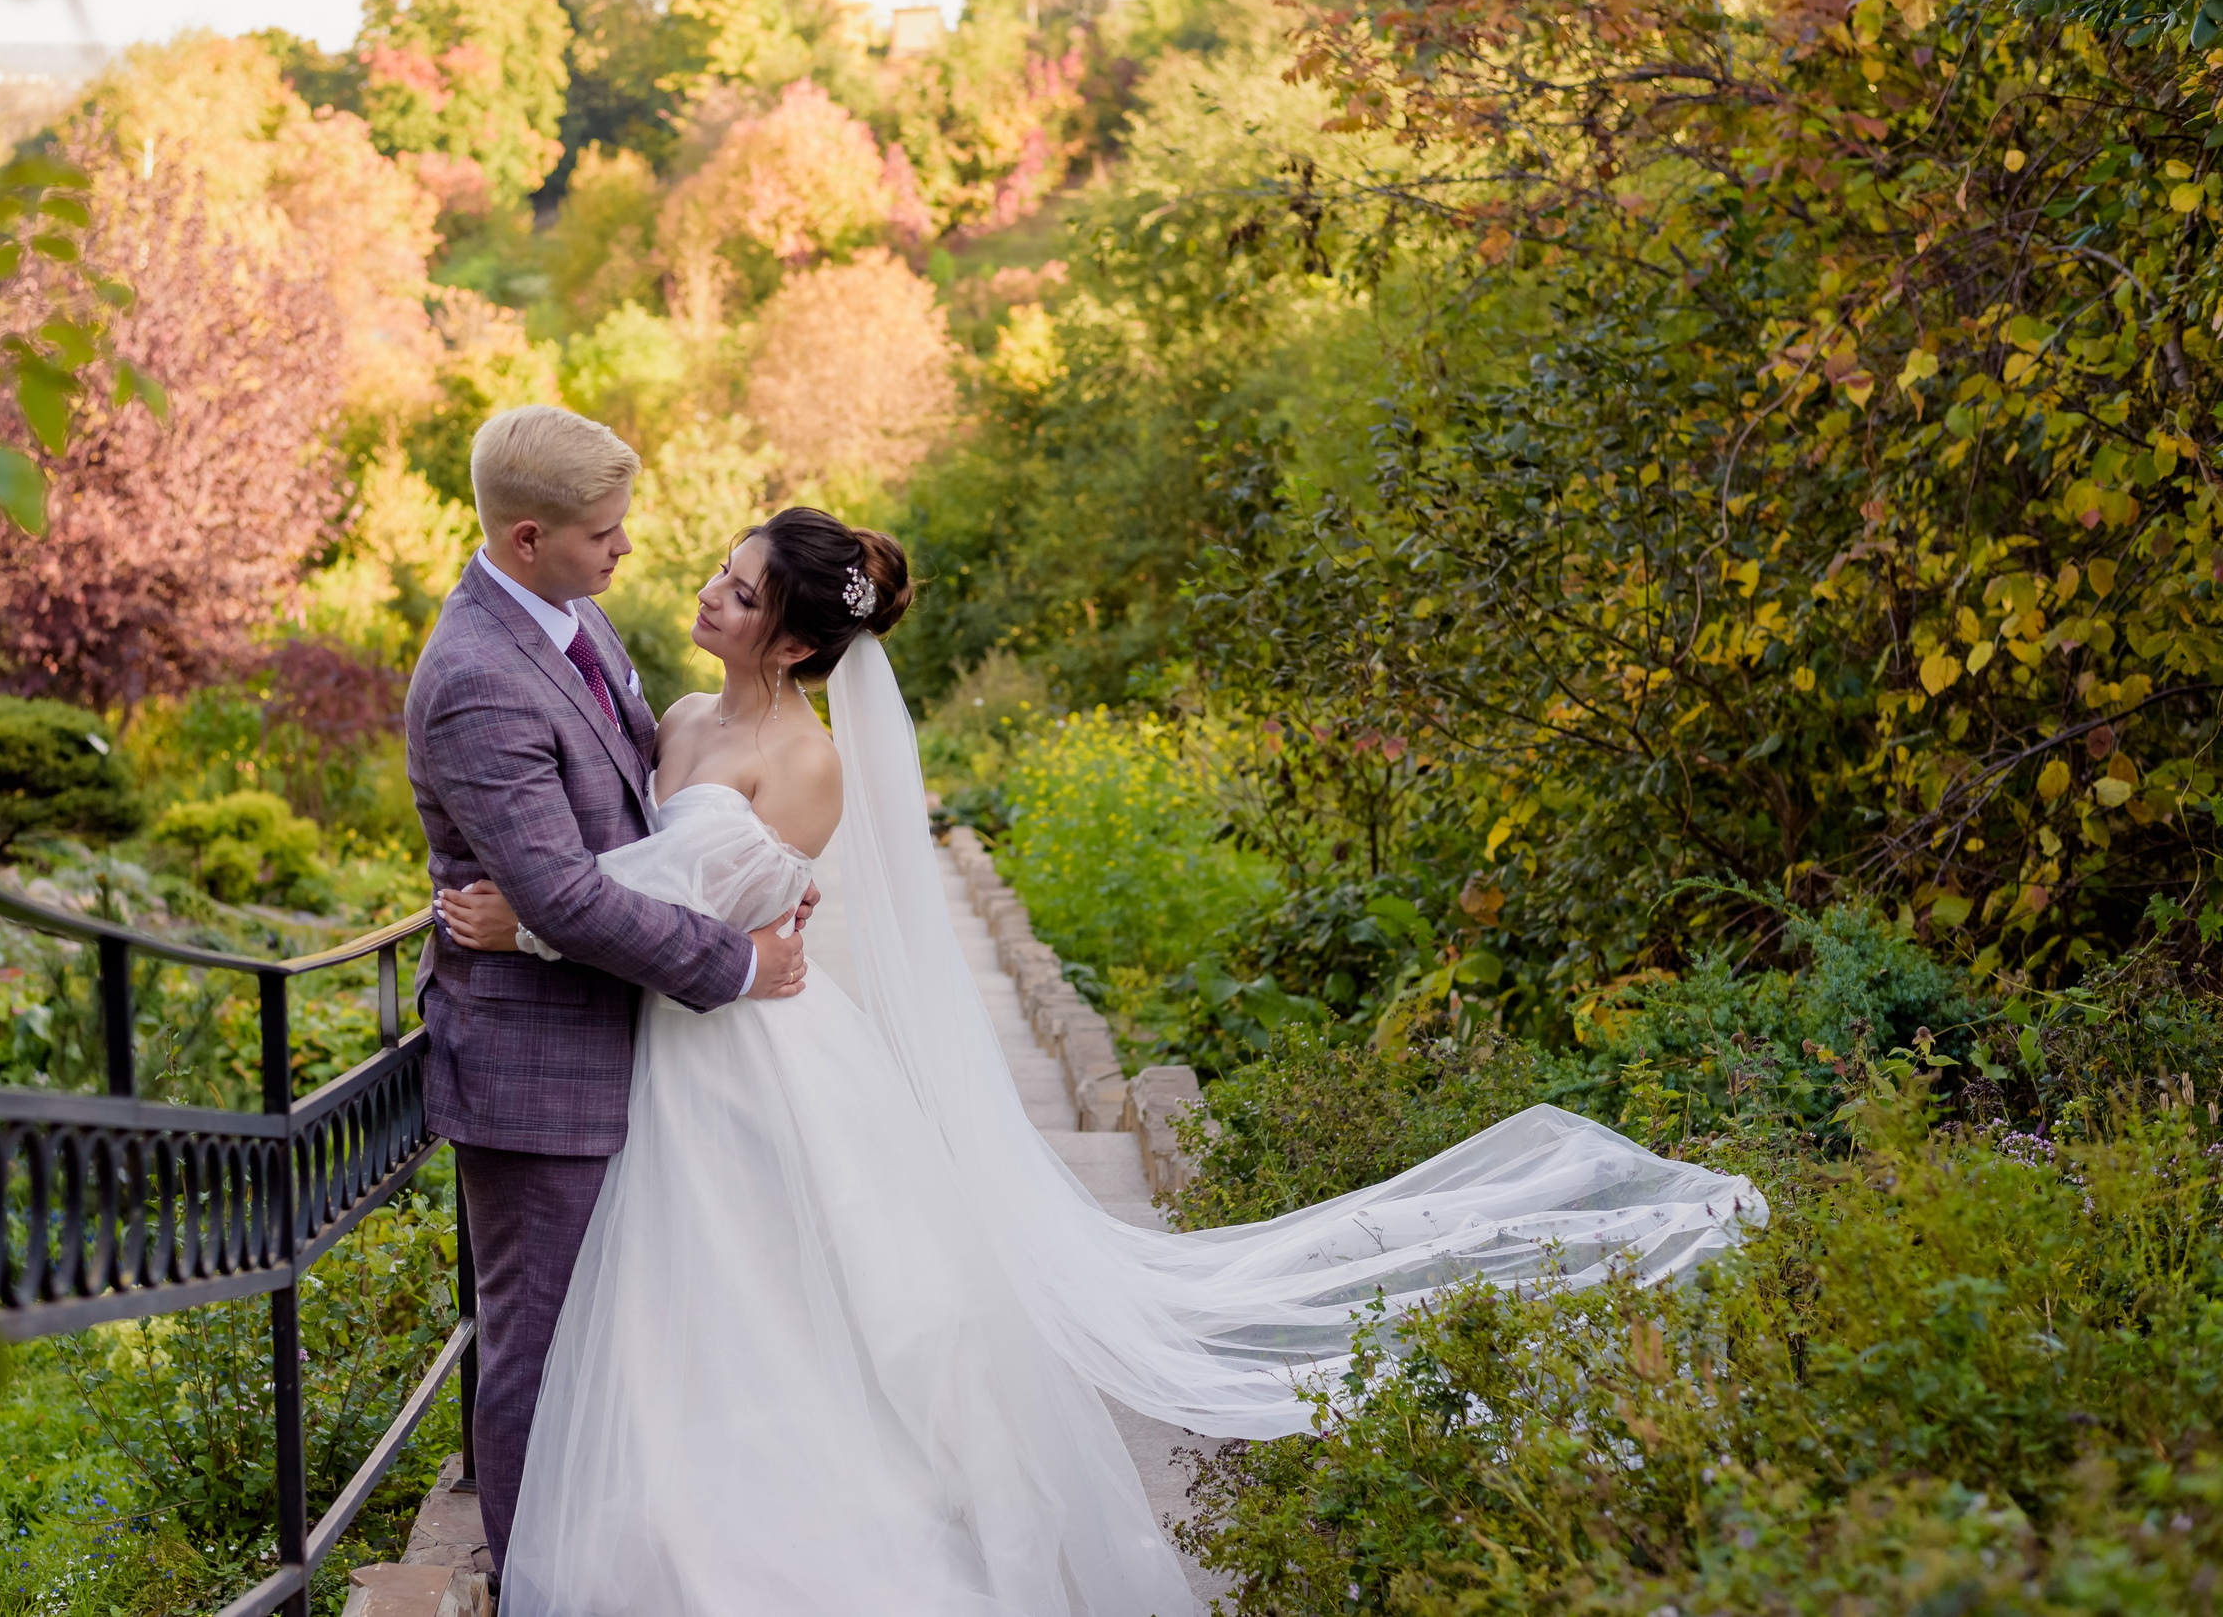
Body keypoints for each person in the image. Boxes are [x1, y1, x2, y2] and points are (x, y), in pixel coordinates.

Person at [435, 506, 1769, 1615]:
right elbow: (626, 874)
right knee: (696, 1299)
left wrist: (531, 927)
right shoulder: (670, 711)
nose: (708, 596)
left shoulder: (807, 758)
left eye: (735, 591)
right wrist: (560, 902)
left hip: (755, 1044)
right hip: (685, 1042)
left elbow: (674, 904)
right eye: (720, 579)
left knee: (780, 1287)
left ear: (789, 637)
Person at [402, 406, 817, 1589]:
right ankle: (533, 1582)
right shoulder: (480, 677)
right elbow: (565, 895)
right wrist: (734, 964)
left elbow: (638, 805)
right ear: (527, 536)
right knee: (540, 1350)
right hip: (537, 1065)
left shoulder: (567, 616)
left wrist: (760, 883)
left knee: (619, 1344)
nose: (627, 547)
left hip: (614, 1033)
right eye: (603, 531)